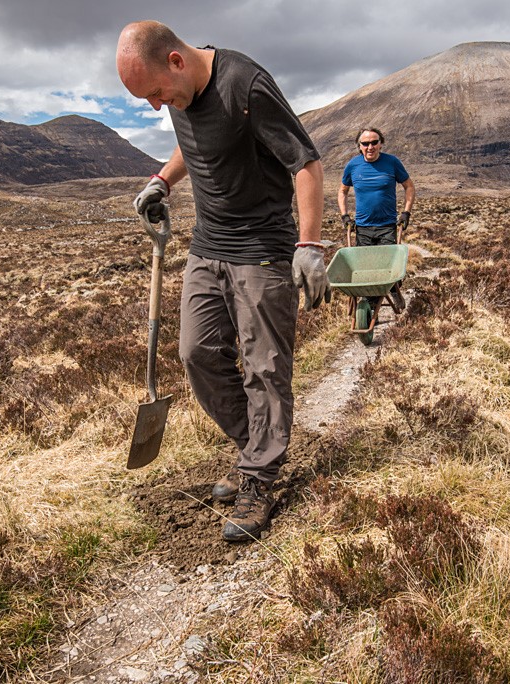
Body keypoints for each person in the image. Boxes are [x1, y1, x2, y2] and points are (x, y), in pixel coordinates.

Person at [116, 21, 329, 542]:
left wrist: (308, 245)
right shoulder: (181, 98)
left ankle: (259, 478)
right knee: (197, 353)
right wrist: (160, 180)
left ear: (175, 61)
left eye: (156, 94)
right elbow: (197, 146)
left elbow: (305, 164)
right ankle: (255, 448)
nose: (156, 107)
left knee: (265, 366)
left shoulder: (245, 85)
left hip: (261, 250)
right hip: (208, 246)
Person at [337, 127, 415, 311]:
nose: (370, 147)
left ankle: (391, 291)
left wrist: (406, 213)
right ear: (359, 146)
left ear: (381, 144)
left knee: (387, 267)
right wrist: (345, 216)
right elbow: (342, 191)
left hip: (387, 226)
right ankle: (372, 307)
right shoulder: (353, 166)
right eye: (365, 143)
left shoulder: (392, 162)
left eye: (374, 142)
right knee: (365, 270)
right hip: (363, 227)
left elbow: (409, 187)